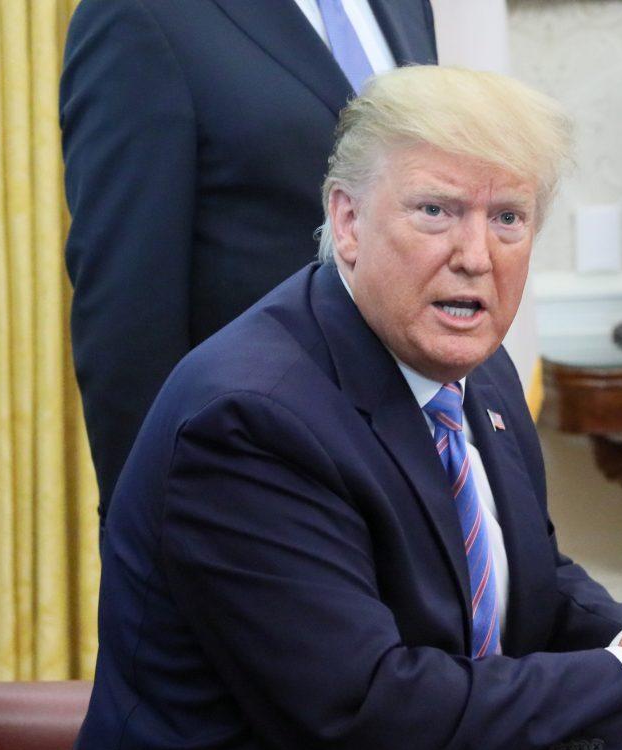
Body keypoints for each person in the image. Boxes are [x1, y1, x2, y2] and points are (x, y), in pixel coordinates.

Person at [45, 67, 622, 750]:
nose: (476, 255)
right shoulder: (249, 419)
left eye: (508, 218)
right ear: (347, 221)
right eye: (436, 210)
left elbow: (532, 581)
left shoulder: (475, 368)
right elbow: (365, 712)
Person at [59, 0, 438, 520]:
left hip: (426, 477)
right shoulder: (137, 14)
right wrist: (151, 530)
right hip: (258, 484)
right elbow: (127, 312)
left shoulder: (406, 7)